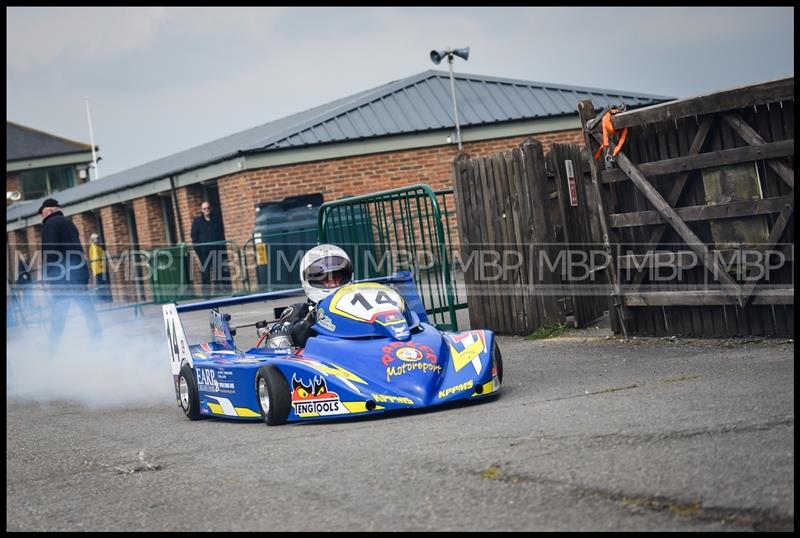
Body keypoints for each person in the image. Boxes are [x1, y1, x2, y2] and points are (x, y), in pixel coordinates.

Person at [38, 198, 102, 346]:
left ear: (48, 211)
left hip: (62, 278)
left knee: (59, 315)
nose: (42, 216)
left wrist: (49, 277)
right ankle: (98, 340)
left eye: (42, 213)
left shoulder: (50, 225)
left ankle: (52, 348)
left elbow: (51, 252)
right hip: (78, 275)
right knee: (88, 310)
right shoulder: (69, 223)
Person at [271, 244, 353, 348]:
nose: (332, 283)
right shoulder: (299, 310)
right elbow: (294, 338)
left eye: (337, 277)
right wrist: (314, 315)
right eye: (325, 279)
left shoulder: (358, 305)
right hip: (321, 359)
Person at [190, 201, 226, 297]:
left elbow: (221, 234)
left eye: (208, 208)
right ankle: (207, 294)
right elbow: (194, 237)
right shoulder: (197, 222)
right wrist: (199, 250)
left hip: (216, 250)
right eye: (204, 209)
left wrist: (221, 248)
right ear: (202, 210)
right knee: (205, 274)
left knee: (218, 272)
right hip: (204, 253)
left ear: (211, 208)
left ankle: (218, 293)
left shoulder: (216, 220)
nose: (207, 210)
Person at [88, 233, 112, 302]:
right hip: (98, 269)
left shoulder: (98, 247)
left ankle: (103, 298)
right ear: (92, 239)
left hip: (101, 269)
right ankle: (101, 299)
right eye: (96, 238)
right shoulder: (93, 247)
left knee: (102, 284)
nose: (98, 240)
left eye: (98, 238)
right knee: (100, 285)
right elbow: (96, 257)